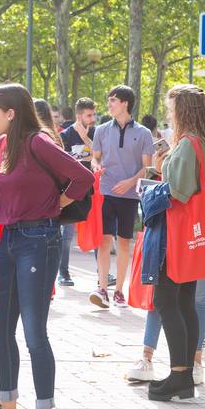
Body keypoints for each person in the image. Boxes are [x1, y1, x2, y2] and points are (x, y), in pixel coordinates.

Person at [0, 84, 93, 409]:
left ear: (11, 113)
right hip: (9, 239)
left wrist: (55, 203)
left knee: (34, 333)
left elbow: (84, 178)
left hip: (39, 240)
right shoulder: (3, 145)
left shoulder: (39, 142)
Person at [146, 84, 205, 401]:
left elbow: (176, 191)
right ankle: (186, 375)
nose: (169, 113)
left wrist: (158, 173)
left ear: (182, 111)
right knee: (186, 301)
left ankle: (178, 376)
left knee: (166, 301)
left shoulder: (188, 145)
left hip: (177, 234)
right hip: (198, 234)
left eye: (172, 108)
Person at [90, 86, 154, 308]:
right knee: (104, 240)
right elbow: (94, 158)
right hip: (106, 191)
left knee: (124, 242)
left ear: (125, 103)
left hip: (129, 195)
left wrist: (129, 182)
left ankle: (118, 291)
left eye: (113, 100)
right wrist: (96, 166)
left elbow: (147, 168)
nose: (109, 104)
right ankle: (101, 288)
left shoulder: (144, 133)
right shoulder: (101, 130)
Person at [57, 98, 97, 287]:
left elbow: (99, 156)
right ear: (79, 115)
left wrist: (87, 141)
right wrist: (87, 155)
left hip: (92, 188)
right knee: (67, 233)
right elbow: (64, 162)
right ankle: (63, 272)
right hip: (72, 189)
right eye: (89, 115)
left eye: (94, 114)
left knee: (98, 230)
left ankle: (102, 272)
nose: (93, 119)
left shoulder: (96, 132)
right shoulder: (65, 135)